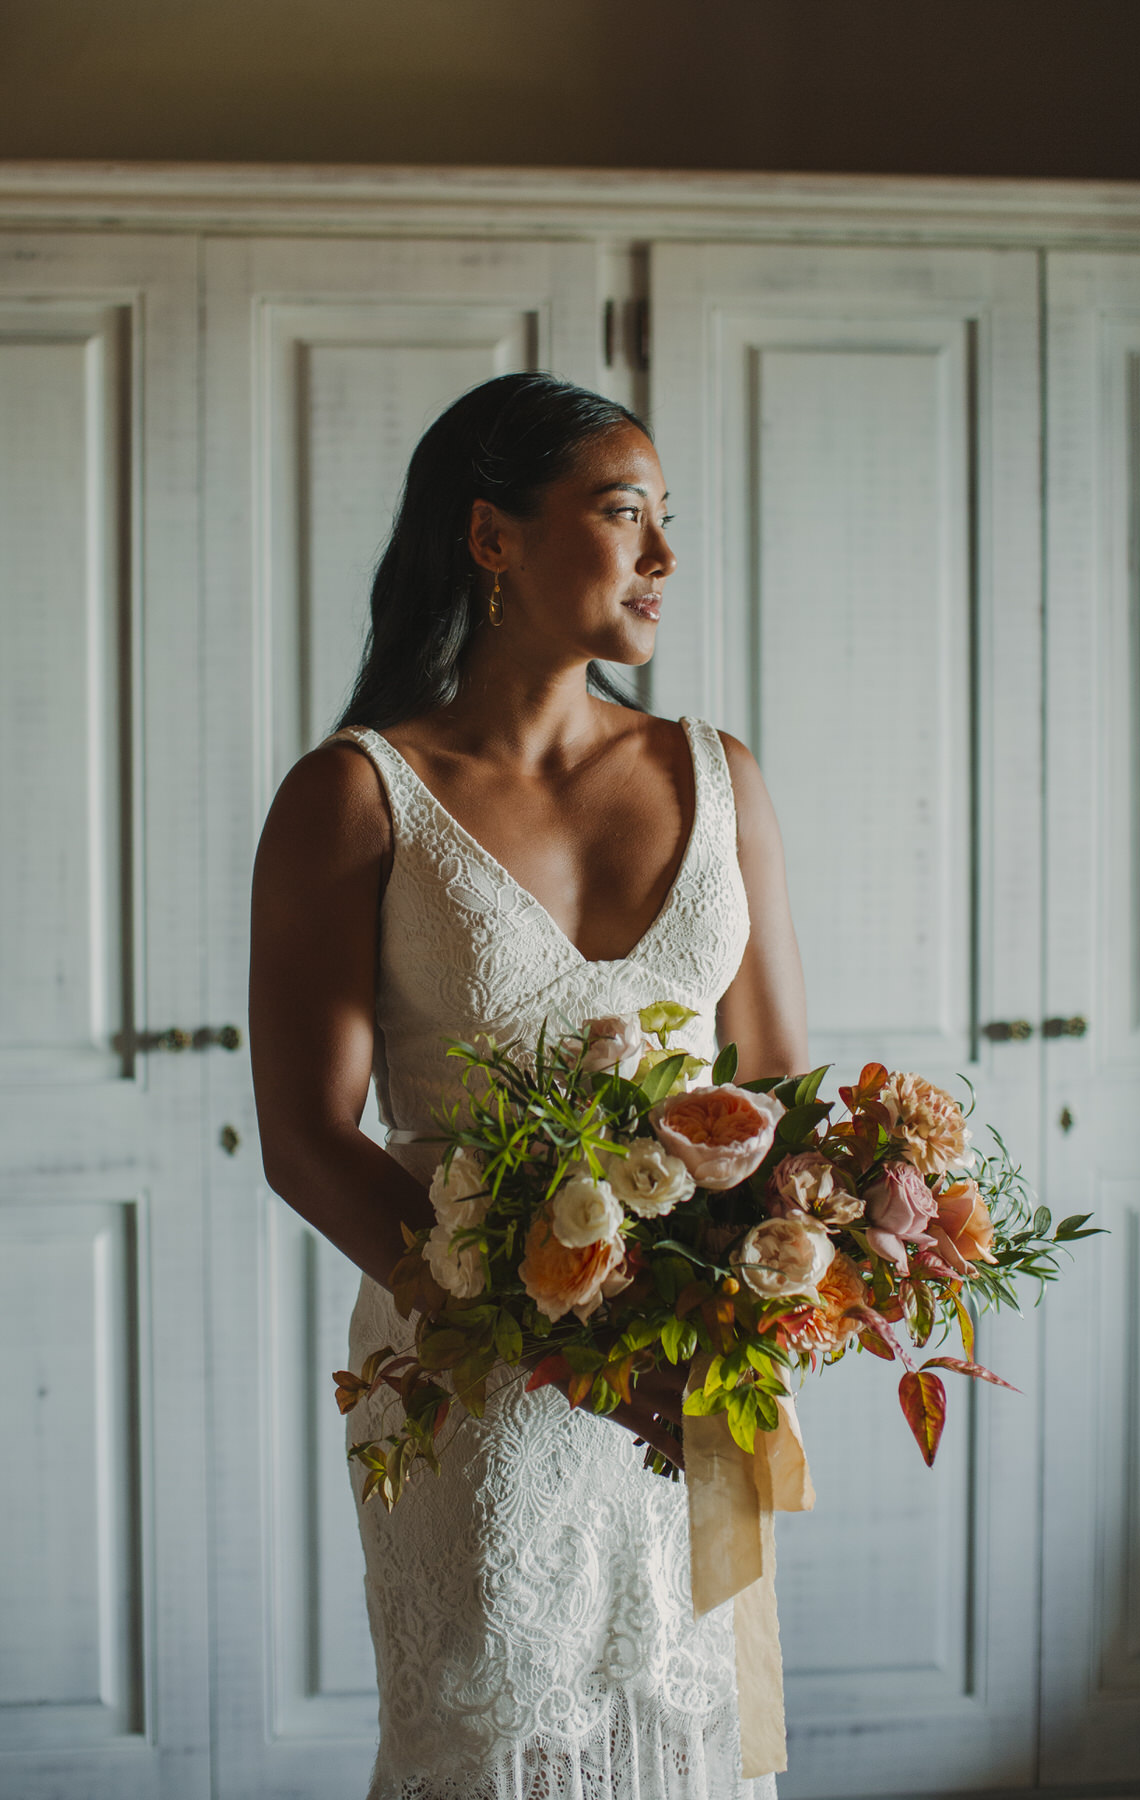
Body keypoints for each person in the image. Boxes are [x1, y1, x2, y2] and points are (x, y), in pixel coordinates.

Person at [249, 373, 810, 1799]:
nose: (664, 559)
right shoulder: (360, 791)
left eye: (665, 520)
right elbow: (311, 1141)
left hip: (688, 1388)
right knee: (506, 1756)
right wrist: (551, 1337)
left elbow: (779, 1096)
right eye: (625, 516)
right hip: (476, 1387)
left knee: (686, 1742)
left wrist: (741, 1303)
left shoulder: (719, 775)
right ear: (493, 539)